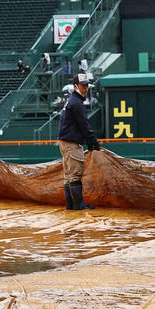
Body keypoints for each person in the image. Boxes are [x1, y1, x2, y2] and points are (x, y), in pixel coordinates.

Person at [58, 73, 102, 210]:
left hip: (65, 142)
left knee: (69, 176)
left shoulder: (72, 101)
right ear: (75, 86)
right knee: (75, 175)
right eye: (83, 85)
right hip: (71, 144)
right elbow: (84, 125)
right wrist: (93, 141)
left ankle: (71, 206)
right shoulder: (76, 103)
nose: (86, 88)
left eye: (87, 85)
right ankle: (78, 206)